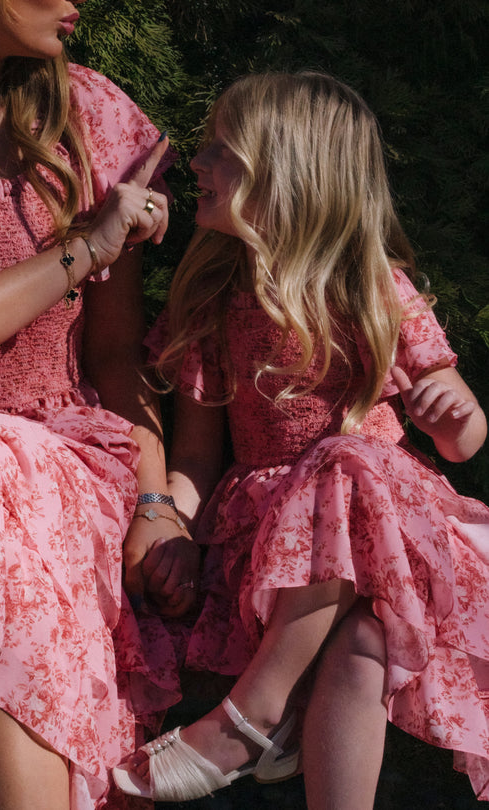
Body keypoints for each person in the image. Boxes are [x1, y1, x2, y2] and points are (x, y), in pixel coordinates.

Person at [113, 71, 489, 807]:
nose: (197, 163)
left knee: (347, 466)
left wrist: (454, 414)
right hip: (272, 543)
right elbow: (195, 455)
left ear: (287, 172)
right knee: (364, 645)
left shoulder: (370, 286)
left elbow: (463, 437)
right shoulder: (219, 298)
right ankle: (271, 716)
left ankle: (252, 714)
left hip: (386, 528)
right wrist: (175, 528)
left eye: (222, 150)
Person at [0, 1, 200, 808]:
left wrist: (155, 500)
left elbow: (115, 354)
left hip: (53, 459)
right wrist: (87, 245)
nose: (78, 3)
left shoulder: (87, 118)